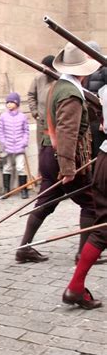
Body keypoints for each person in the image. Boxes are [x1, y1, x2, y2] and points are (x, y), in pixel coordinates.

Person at [15, 43, 98, 264]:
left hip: (48, 153)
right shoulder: (71, 93)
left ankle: (24, 248)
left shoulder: (60, 86)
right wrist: (68, 168)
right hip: (63, 156)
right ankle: (83, 254)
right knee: (90, 203)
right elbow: (67, 132)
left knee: (45, 202)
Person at [62, 81, 106, 309]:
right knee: (103, 229)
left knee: (102, 228)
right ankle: (76, 287)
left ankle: (76, 287)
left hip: (104, 158)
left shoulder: (104, 91)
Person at [0, 92, 30, 198]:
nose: (9, 104)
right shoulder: (3, 117)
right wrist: (4, 142)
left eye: (11, 102)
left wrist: (24, 142)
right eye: (8, 102)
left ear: (17, 103)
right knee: (7, 167)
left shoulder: (23, 117)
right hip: (8, 147)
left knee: (21, 167)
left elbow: (26, 131)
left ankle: (23, 189)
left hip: (20, 146)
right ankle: (6, 190)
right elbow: (0, 131)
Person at [27, 55, 56, 154]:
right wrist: (35, 113)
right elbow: (31, 95)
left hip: (54, 123)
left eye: (46, 67)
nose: (43, 69)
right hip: (41, 122)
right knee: (42, 149)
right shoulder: (38, 78)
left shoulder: (59, 80)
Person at [83, 42, 107, 158]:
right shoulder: (87, 71)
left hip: (100, 120)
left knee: (98, 153)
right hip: (90, 118)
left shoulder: (104, 70)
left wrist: (104, 120)